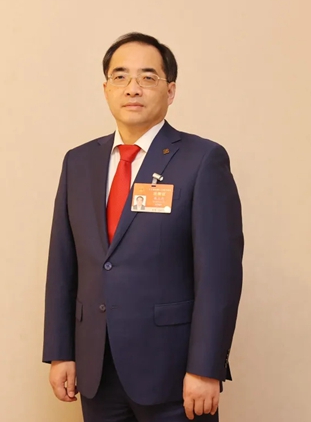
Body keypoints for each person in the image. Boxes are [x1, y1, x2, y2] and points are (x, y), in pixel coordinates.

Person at [42, 32, 243, 421]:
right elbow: (63, 264)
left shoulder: (202, 160)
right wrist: (60, 351)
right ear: (106, 89)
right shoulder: (78, 162)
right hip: (96, 367)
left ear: (170, 90)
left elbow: (219, 276)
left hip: (174, 373)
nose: (132, 88)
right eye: (120, 76)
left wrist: (206, 368)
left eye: (147, 77)